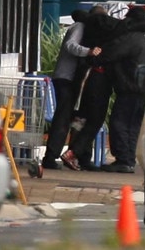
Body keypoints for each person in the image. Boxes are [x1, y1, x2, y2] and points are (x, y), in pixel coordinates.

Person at [92, 6, 145, 173]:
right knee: (133, 125)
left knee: (119, 122)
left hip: (131, 86)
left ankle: (123, 160)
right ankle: (129, 161)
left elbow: (111, 53)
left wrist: (94, 58)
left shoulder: (131, 38)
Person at [60, 3, 128, 171]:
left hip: (86, 75)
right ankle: (73, 153)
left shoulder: (89, 28)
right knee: (95, 119)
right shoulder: (112, 30)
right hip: (99, 77)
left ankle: (81, 157)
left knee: (82, 117)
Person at [42, 9, 101, 170]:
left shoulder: (85, 28)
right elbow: (70, 45)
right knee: (64, 116)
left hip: (74, 80)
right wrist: (88, 51)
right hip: (66, 78)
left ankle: (78, 156)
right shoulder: (80, 27)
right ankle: (50, 157)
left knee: (77, 118)